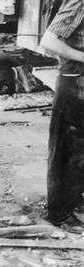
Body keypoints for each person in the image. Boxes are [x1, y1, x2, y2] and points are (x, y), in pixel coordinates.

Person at [40, 0, 84, 233]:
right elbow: (48, 41)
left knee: (81, 153)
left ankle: (75, 201)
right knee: (68, 151)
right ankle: (59, 213)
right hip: (73, 82)